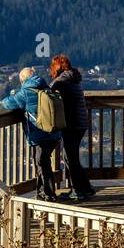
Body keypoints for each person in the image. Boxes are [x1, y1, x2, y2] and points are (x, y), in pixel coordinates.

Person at [0, 67, 63, 200]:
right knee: (44, 163)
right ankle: (43, 193)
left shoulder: (26, 93)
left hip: (40, 134)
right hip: (54, 132)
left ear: (23, 79)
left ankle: (47, 195)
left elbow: (9, 103)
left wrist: (2, 100)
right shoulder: (45, 87)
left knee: (42, 164)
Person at [47, 54, 95, 200]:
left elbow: (47, 92)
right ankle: (85, 188)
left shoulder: (62, 81)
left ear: (57, 67)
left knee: (71, 159)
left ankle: (78, 190)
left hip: (72, 124)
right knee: (72, 158)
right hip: (80, 123)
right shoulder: (73, 78)